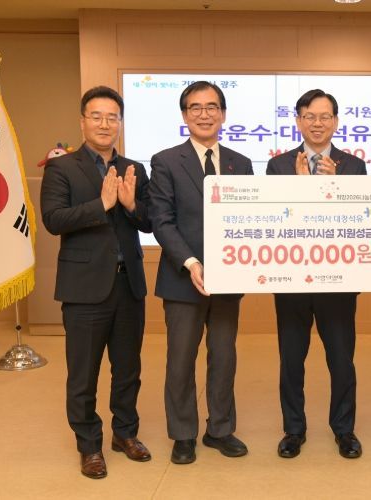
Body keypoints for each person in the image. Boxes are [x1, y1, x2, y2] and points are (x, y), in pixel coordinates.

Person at [41, 86, 152, 479]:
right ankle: (89, 446)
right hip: (84, 287)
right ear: (83, 121)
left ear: (120, 123)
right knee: (83, 374)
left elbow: (149, 222)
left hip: (128, 286)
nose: (105, 124)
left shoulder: (134, 168)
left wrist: (131, 204)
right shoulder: (62, 168)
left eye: (112, 117)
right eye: (97, 116)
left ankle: (125, 433)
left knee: (128, 369)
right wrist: (101, 206)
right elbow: (53, 220)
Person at [149, 81, 253, 465]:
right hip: (182, 279)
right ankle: (183, 434)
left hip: (228, 280)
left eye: (212, 107)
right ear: (184, 115)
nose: (204, 114)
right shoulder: (165, 161)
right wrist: (192, 262)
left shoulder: (241, 163)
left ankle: (220, 429)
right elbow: (162, 221)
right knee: (180, 361)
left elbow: (250, 220)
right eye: (195, 107)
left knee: (223, 358)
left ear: (223, 114)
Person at [266, 89, 367, 459]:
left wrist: (334, 187)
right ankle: (293, 430)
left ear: (336, 122)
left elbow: (360, 221)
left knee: (341, 360)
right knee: (291, 361)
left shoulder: (353, 166)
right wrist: (298, 189)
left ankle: (344, 430)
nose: (317, 123)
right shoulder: (278, 166)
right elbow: (273, 222)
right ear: (298, 121)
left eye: (325, 116)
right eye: (309, 116)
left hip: (337, 281)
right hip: (291, 281)